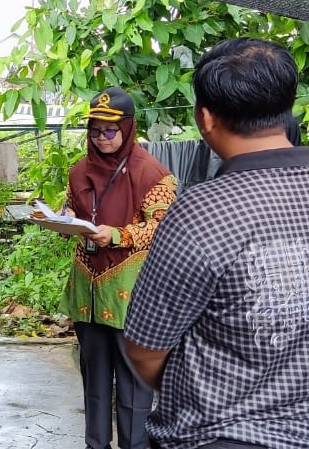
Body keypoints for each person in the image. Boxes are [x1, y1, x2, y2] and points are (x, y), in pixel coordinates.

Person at [123, 38, 309, 449]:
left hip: (224, 437)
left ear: (205, 117)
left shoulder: (202, 211)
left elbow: (145, 349)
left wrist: (196, 392)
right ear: (286, 108)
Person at [60, 87, 176, 449]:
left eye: (110, 130)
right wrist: (62, 218)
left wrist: (119, 234)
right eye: (95, 130)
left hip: (131, 291)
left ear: (127, 127)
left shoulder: (153, 174)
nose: (102, 138)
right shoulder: (80, 171)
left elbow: (164, 227)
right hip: (88, 291)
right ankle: (95, 444)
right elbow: (71, 207)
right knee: (93, 379)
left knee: (133, 383)